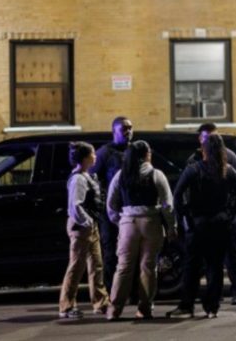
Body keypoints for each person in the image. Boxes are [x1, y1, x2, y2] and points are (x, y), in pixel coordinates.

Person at [167, 133, 236, 319]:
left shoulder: (194, 169)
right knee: (215, 266)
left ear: (203, 150)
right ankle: (212, 306)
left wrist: (184, 216)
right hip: (220, 224)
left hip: (198, 224)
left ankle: (187, 305)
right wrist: (230, 212)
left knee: (192, 266)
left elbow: (177, 195)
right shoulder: (227, 170)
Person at [105, 140, 176, 321]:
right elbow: (168, 204)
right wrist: (171, 227)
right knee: (149, 267)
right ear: (146, 154)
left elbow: (111, 204)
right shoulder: (156, 174)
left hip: (128, 222)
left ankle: (114, 309)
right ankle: (144, 308)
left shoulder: (121, 175)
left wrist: (119, 221)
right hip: (151, 222)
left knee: (123, 267)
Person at [186, 123, 236, 305]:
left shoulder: (230, 158)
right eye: (206, 137)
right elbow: (188, 189)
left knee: (232, 255)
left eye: (213, 137)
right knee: (210, 259)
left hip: (224, 217)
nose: (210, 141)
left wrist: (231, 211)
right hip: (205, 218)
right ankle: (213, 294)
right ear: (200, 139)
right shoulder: (194, 160)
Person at [58, 141, 110, 319]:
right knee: (76, 267)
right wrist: (87, 222)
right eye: (93, 154)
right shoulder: (78, 179)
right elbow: (75, 206)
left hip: (89, 225)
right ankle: (66, 305)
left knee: (96, 265)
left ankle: (101, 302)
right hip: (81, 227)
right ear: (86, 158)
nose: (95, 156)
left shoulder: (86, 176)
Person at [90, 116, 133, 290]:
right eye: (124, 128)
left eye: (130, 128)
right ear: (113, 131)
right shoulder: (104, 153)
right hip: (110, 212)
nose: (128, 131)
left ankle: (130, 290)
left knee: (130, 252)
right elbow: (92, 180)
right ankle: (110, 290)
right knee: (110, 253)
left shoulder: (135, 151)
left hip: (131, 210)